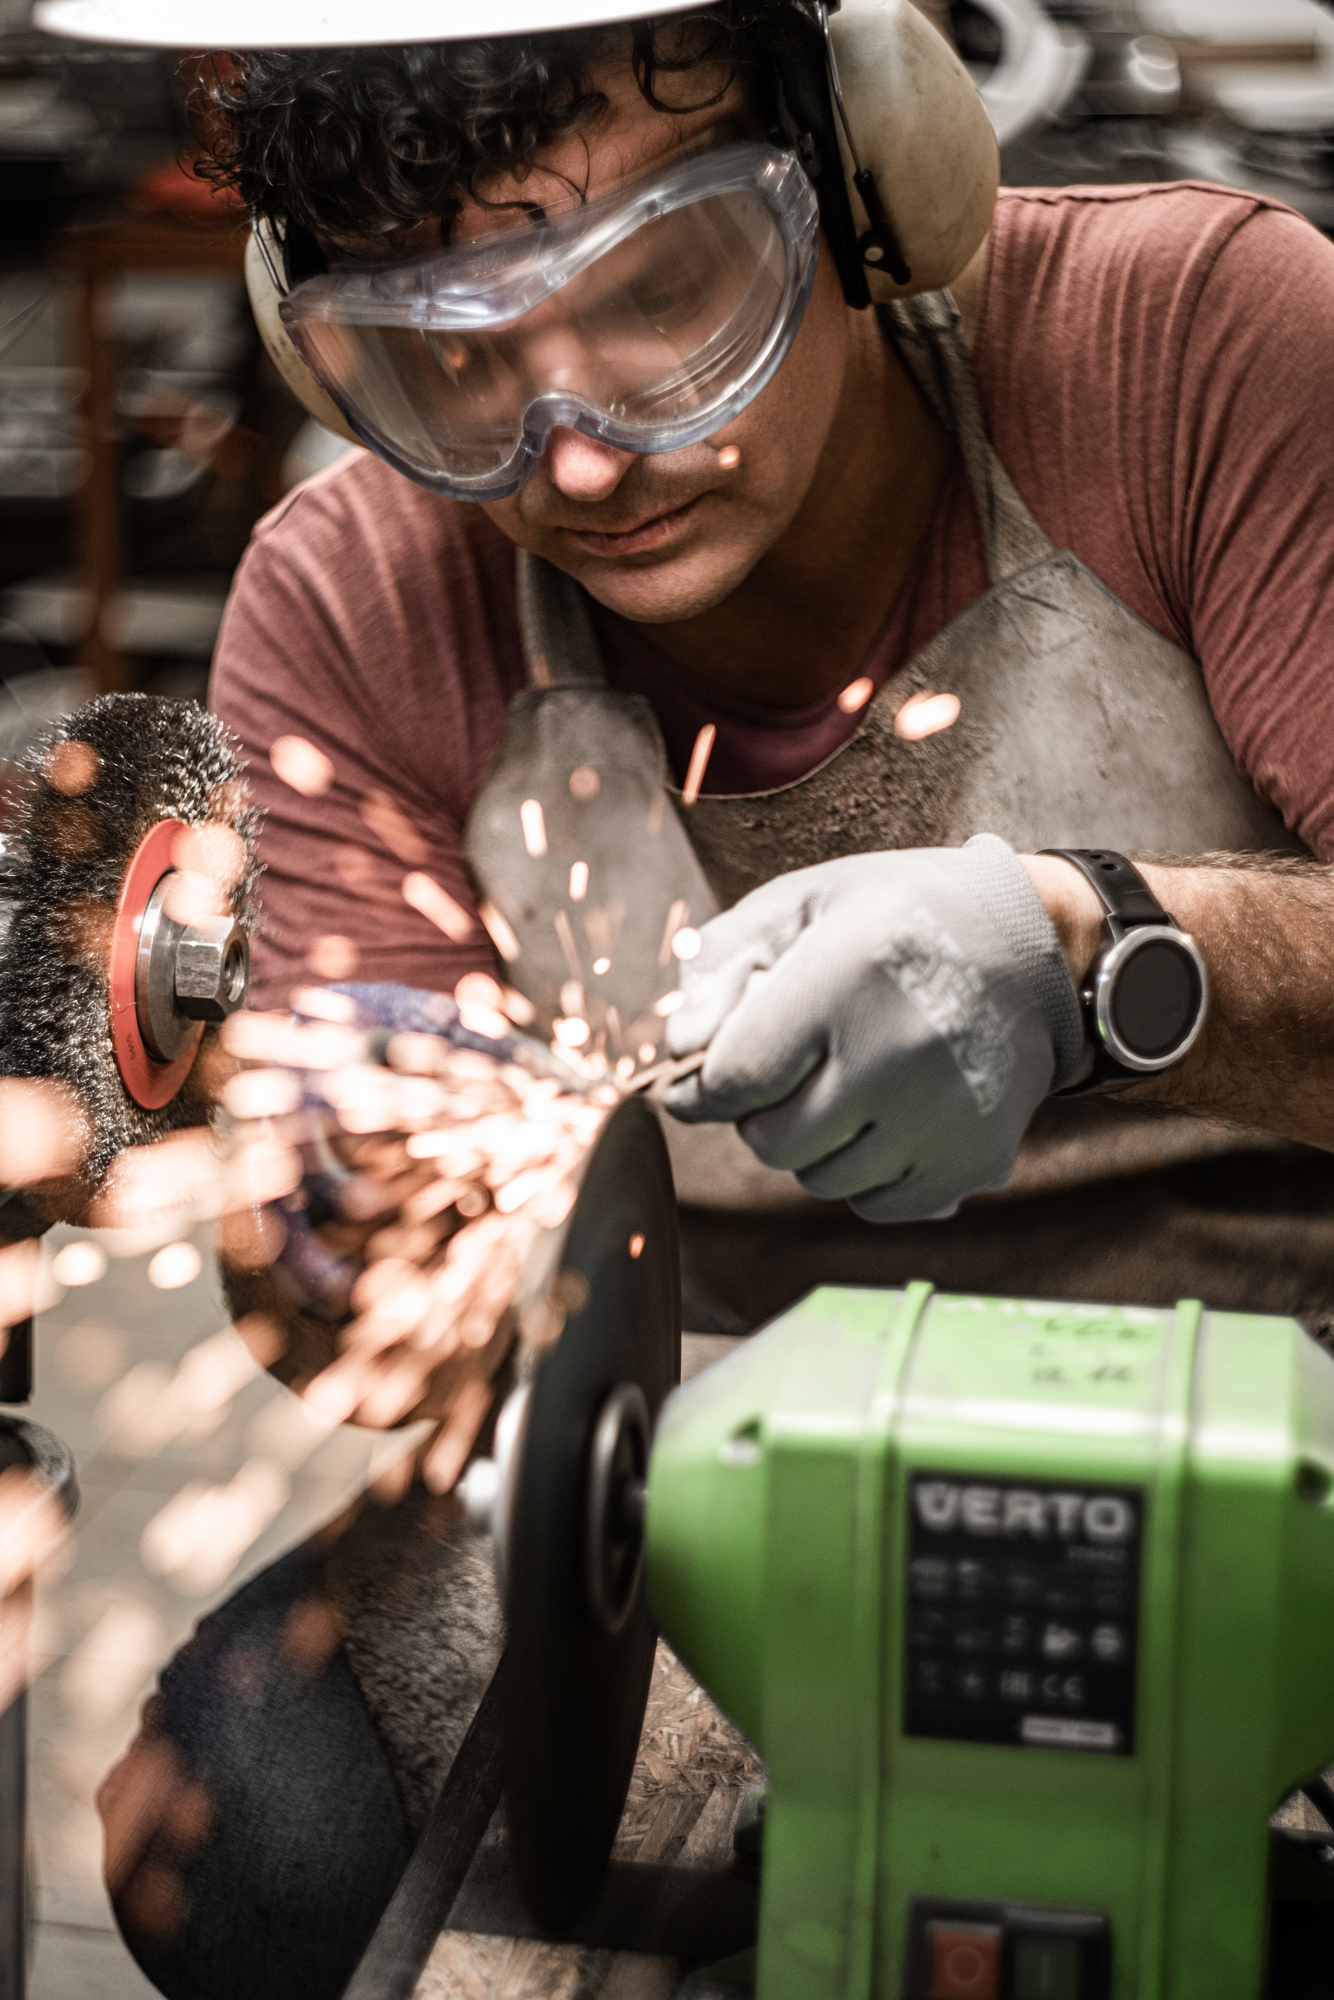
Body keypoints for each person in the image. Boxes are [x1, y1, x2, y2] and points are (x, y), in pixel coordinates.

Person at [29, 0, 1334, 1990]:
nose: (571, 444)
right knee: (242, 1815)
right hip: (696, 1435)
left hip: (1269, 1387)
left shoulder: (1195, 345)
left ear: (873, 184)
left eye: (663, 290)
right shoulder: (357, 593)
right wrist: (347, 1228)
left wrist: (1102, 950)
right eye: (449, 361)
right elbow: (387, 1344)